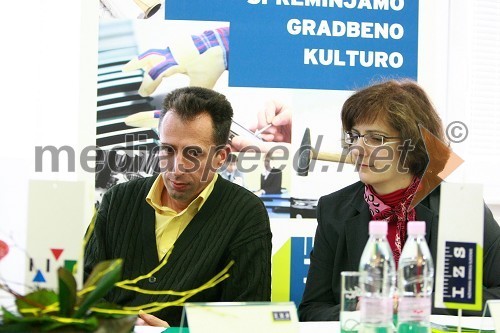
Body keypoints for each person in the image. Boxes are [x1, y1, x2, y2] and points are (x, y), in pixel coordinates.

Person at [298, 79, 500, 321]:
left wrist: (415, 306)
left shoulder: (461, 209)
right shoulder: (334, 210)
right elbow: (312, 310)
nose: (358, 148)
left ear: (413, 145)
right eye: (355, 136)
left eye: (376, 138)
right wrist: (358, 312)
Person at [84, 87, 272, 327]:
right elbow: (83, 294)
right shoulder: (117, 201)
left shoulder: (246, 213)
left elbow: (249, 322)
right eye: (167, 150)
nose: (177, 167)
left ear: (221, 157)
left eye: (193, 153)